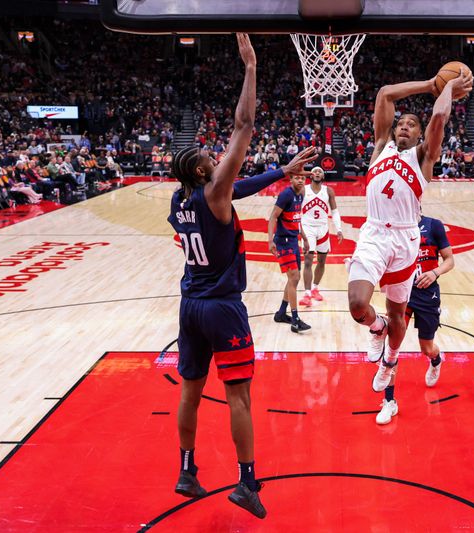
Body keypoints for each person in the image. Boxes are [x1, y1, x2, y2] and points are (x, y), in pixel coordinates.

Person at [166, 34, 316, 519]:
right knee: (239, 396)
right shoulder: (213, 192)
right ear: (205, 171)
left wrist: (278, 172)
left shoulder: (181, 200)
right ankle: (247, 483)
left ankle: (187, 470)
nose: (217, 157)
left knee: (190, 388)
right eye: (211, 159)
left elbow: (236, 188)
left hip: (189, 304)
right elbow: (244, 124)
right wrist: (250, 67)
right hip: (223, 307)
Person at [346, 67, 473, 394]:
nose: (404, 126)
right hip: (374, 233)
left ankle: (390, 361)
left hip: (404, 240)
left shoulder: (424, 157)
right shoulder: (379, 147)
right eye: (400, 123)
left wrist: (445, 92)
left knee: (398, 313)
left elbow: (439, 118)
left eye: (412, 124)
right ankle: (377, 329)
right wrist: (431, 83)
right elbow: (385, 92)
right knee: (358, 304)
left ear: (419, 135)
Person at [376, 212, 455, 425]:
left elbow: (450, 259)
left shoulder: (434, 225)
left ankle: (436, 360)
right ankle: (389, 401)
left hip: (427, 293)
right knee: (391, 345)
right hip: (401, 292)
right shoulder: (390, 226)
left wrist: (435, 272)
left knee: (426, 348)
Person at [268, 172, 313, 333]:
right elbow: (273, 217)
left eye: (302, 178)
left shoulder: (301, 193)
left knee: (294, 277)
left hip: (294, 240)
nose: (300, 180)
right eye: (297, 177)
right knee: (294, 277)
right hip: (283, 241)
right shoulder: (286, 195)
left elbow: (297, 219)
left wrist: (305, 238)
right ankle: (295, 320)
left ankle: (281, 313)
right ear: (291, 179)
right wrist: (270, 240)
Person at [299, 166, 344, 307]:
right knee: (308, 260)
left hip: (323, 228)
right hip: (307, 228)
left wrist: (339, 229)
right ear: (311, 175)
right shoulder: (303, 190)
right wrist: (297, 228)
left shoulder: (328, 191)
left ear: (323, 176)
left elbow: (335, 211)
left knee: (322, 261)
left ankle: (315, 288)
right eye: (315, 171)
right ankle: (306, 294)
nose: (318, 173)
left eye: (320, 172)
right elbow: (295, 208)